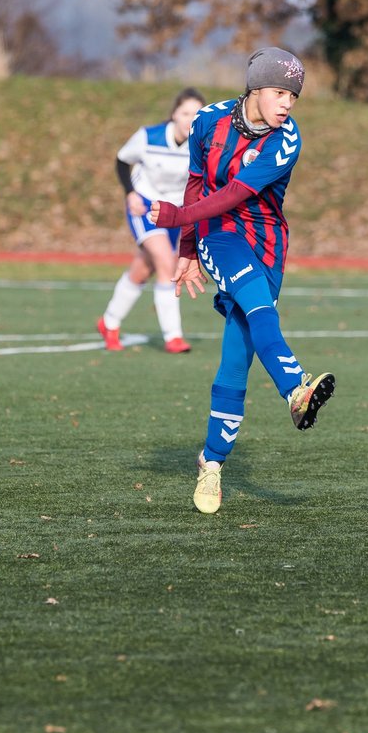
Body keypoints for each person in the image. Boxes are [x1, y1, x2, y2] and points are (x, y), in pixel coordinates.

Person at [149, 47, 335, 514]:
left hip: (267, 242)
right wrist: (188, 246)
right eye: (279, 92)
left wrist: (175, 218)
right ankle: (295, 388)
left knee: (236, 359)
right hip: (220, 234)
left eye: (293, 95)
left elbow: (236, 192)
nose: (288, 103)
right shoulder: (207, 121)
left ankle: (211, 464)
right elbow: (199, 183)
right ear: (254, 89)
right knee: (258, 307)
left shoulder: (286, 140)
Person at [97, 87, 206, 353]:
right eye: (185, 113)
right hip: (144, 206)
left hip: (176, 213)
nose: (191, 119)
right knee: (166, 263)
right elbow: (122, 161)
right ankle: (173, 337)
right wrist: (130, 193)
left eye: (197, 114)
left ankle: (109, 323)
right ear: (173, 115)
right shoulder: (149, 136)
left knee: (143, 269)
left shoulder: (201, 145)